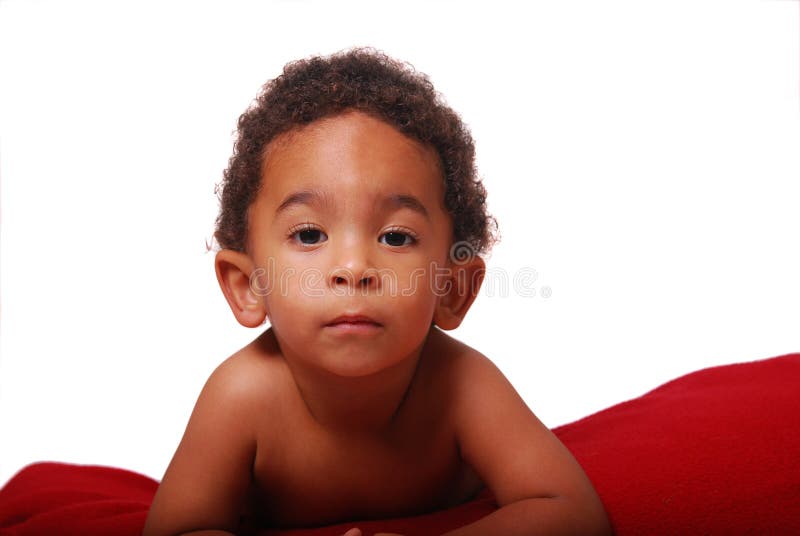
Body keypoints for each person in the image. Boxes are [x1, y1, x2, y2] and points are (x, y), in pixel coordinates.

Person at [143, 48, 611, 536]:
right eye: (309, 234)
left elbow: (570, 510)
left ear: (451, 288)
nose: (353, 269)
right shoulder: (242, 396)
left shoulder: (462, 386)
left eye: (395, 237)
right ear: (248, 285)